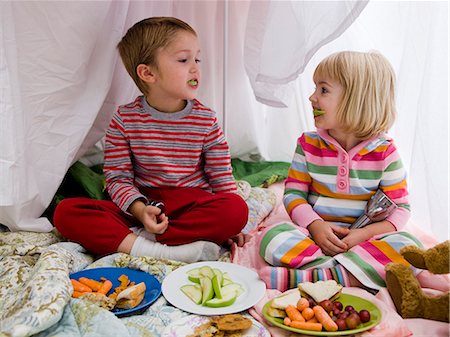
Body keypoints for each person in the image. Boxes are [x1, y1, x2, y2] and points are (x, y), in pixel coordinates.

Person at [54, 17, 249, 263]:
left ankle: (137, 241)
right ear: (148, 73)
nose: (195, 68)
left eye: (197, 59)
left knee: (236, 209)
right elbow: (117, 177)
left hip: (192, 205)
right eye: (183, 60)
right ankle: (161, 249)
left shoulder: (206, 120)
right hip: (144, 206)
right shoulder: (124, 120)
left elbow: (221, 177)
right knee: (65, 212)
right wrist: (139, 209)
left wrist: (234, 227)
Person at [258, 51, 423, 292]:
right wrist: (315, 226)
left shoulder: (385, 153)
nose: (312, 97)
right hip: (314, 235)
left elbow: (400, 210)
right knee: (273, 239)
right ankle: (349, 275)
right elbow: (293, 195)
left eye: (323, 90)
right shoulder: (308, 145)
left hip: (364, 239)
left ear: (357, 99)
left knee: (410, 250)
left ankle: (319, 278)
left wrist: (364, 235)